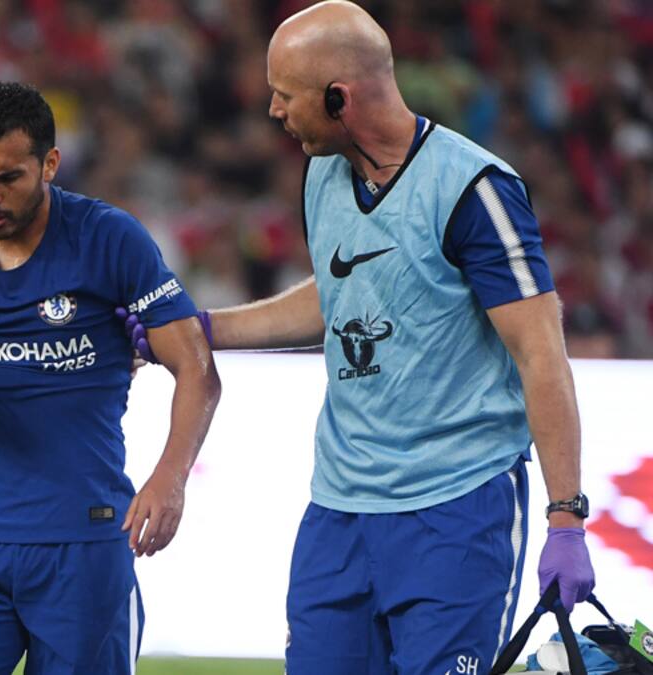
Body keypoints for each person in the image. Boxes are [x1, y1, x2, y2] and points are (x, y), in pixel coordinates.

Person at [124, 2, 595, 673]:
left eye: (286, 95)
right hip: (339, 510)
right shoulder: (323, 172)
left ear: (338, 98)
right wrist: (202, 330)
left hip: (457, 509)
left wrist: (566, 518)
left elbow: (540, 353)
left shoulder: (473, 190)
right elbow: (340, 293)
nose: (274, 111)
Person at [0, 82, 221, 674]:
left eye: (8, 178)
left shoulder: (109, 239)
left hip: (85, 542)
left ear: (49, 163)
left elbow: (197, 370)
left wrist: (169, 480)